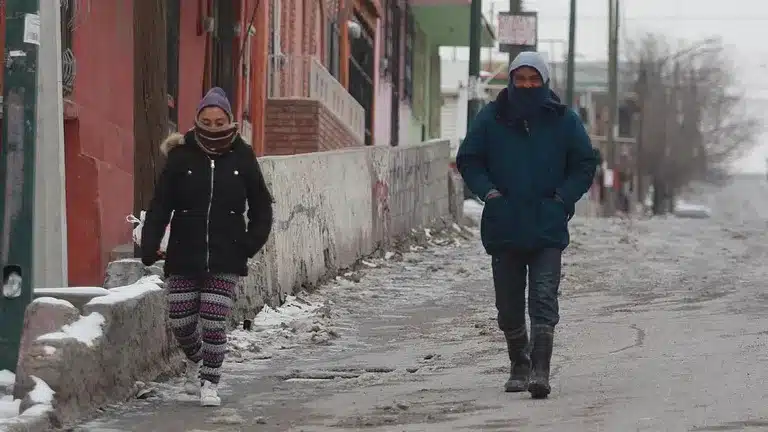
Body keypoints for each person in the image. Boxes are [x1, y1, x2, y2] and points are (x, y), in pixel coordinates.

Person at [456, 52, 597, 399]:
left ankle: (540, 370)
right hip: (504, 225)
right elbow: (468, 159)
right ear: (511, 80)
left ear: (545, 81)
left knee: (544, 297)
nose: (528, 85)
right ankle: (519, 362)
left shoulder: (565, 121)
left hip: (548, 225)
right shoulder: (491, 118)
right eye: (521, 78)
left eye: (534, 79)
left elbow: (584, 163)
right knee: (508, 305)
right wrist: (489, 193)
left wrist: (563, 199)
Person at [141, 87, 274, 407]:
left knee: (214, 320)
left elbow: (261, 207)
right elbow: (160, 206)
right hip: (184, 251)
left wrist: (247, 245)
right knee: (181, 320)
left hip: (227, 253)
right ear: (197, 121)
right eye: (207, 121)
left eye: (219, 121)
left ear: (229, 120)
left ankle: (210, 383)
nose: (213, 127)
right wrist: (149, 244)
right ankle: (196, 359)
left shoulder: (243, 156)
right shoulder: (181, 155)